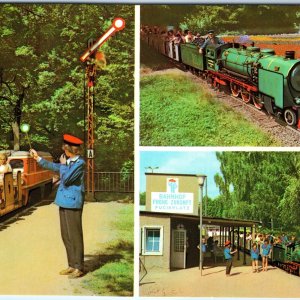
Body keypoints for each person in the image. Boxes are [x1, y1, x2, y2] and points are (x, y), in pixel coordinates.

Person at [30, 134, 85, 279]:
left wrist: (63, 164)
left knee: (75, 236)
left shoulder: (79, 163)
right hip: (63, 201)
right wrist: (38, 158)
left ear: (68, 150)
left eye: (64, 149)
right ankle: (71, 265)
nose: (63, 151)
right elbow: (54, 166)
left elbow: (65, 179)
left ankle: (79, 267)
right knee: (66, 235)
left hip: (73, 203)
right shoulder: (68, 162)